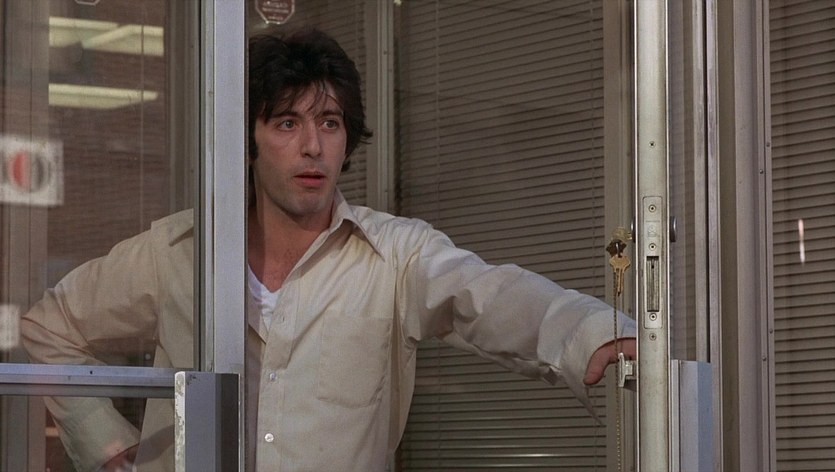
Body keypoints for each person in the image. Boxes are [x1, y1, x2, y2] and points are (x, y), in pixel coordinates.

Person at [22, 27, 636, 472]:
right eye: (287, 123)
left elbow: (490, 294)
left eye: (331, 123)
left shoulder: (394, 255)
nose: (313, 146)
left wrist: (591, 330)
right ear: (249, 141)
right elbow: (51, 328)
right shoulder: (181, 250)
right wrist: (107, 443)